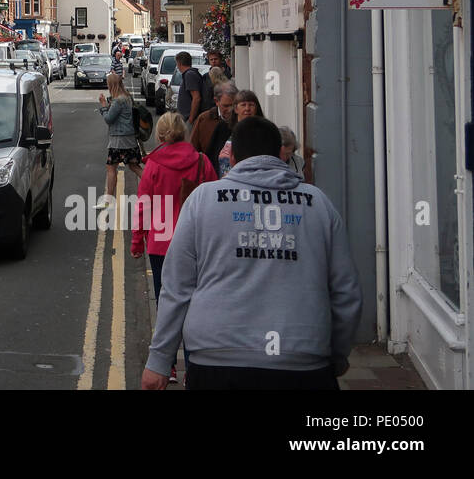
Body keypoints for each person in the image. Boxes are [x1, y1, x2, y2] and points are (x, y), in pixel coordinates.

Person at [141, 117, 363, 390]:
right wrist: (336, 354)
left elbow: (176, 287)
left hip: (217, 360)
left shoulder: (203, 200)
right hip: (303, 361)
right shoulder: (318, 204)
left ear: (232, 157)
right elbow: (346, 293)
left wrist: (160, 360)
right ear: (280, 154)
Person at [132, 110, 217, 383]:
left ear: (160, 134)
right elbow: (218, 203)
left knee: (165, 303)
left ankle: (166, 365)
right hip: (196, 245)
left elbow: (144, 207)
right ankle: (194, 366)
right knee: (195, 305)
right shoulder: (202, 162)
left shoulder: (154, 165)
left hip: (161, 244)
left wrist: (137, 242)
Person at [95, 73, 141, 210]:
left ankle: (108, 200)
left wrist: (103, 106)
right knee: (134, 166)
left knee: (111, 168)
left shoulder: (118, 101)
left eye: (108, 83)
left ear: (112, 85)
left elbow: (109, 119)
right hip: (129, 138)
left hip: (118, 140)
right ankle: (154, 188)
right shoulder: (127, 97)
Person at [215, 90, 263, 176]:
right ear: (236, 109)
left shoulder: (264, 130)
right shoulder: (224, 128)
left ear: (256, 108)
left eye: (251, 105)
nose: (247, 108)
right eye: (243, 105)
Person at [190, 82, 236, 168]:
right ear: (216, 101)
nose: (230, 110)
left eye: (233, 105)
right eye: (226, 106)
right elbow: (193, 148)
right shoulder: (204, 119)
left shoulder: (241, 119)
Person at [175, 51, 210, 129]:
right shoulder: (190, 74)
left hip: (189, 119)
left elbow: (196, 98)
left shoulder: (189, 75)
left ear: (179, 63)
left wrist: (190, 120)